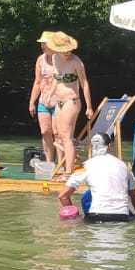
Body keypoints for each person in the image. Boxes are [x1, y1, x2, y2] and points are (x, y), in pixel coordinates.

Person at [27, 30, 90, 176]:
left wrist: (89, 106)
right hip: (57, 100)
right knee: (60, 135)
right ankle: (59, 164)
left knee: (65, 137)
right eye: (63, 49)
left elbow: (84, 83)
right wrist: (50, 93)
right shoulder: (56, 58)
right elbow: (56, 77)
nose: (66, 52)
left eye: (68, 49)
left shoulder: (76, 62)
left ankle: (67, 171)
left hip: (71, 100)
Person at [59, 132, 135, 221]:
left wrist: (75, 217)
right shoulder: (123, 166)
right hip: (122, 216)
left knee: (87, 196)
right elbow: (134, 196)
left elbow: (63, 196)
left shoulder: (86, 166)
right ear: (109, 146)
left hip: (96, 216)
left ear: (91, 147)